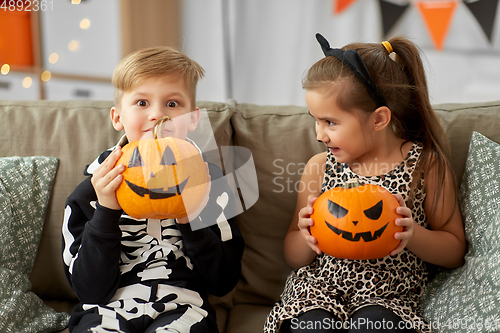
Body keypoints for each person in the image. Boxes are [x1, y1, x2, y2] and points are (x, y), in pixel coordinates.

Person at [264, 34, 466, 333]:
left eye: (330, 122)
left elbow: (454, 251)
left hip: (390, 297)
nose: (320, 134)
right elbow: (293, 256)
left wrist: (412, 235)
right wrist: (305, 237)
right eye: (315, 120)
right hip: (317, 294)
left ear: (379, 119)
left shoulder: (425, 165)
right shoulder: (319, 168)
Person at [62, 46, 244, 333]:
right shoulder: (90, 193)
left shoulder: (212, 185)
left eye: (172, 104)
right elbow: (88, 290)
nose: (157, 115)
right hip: (105, 311)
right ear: (117, 117)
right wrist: (107, 210)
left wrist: (190, 217)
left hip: (185, 309)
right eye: (142, 103)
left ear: (193, 119)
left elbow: (224, 282)